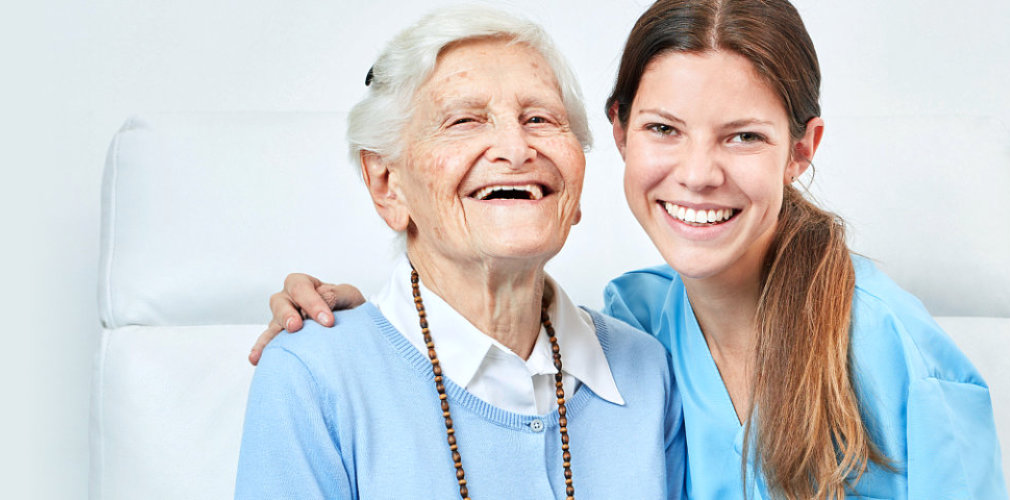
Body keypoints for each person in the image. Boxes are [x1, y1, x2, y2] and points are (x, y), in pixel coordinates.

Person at [255, 1, 1008, 498]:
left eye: (743, 135)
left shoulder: (892, 352)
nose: (699, 173)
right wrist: (352, 336)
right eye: (664, 129)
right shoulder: (641, 324)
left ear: (801, 149)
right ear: (620, 136)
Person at [234, 6, 681, 499]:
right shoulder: (312, 376)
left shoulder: (648, 370)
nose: (515, 149)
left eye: (540, 118)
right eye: (465, 121)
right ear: (388, 185)